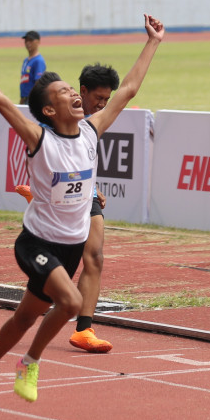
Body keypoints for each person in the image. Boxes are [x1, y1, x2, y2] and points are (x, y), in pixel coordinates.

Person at [0, 14, 165, 409]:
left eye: (73, 90)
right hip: (36, 243)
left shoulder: (91, 132)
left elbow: (129, 89)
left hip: (70, 246)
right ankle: (29, 363)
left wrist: (153, 41)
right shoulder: (38, 139)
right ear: (49, 111)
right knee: (70, 303)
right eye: (65, 93)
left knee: (23, 320)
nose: (76, 95)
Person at [69, 62, 122, 353]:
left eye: (107, 100)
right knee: (56, 273)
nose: (102, 104)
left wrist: (93, 186)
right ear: (83, 91)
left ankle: (84, 330)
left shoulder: (94, 123)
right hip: (58, 200)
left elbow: (129, 91)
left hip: (86, 196)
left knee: (95, 257)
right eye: (98, 98)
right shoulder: (60, 115)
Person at [19, 30, 46, 105]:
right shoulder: (26, 60)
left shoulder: (38, 61)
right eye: (26, 40)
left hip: (31, 100)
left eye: (31, 40)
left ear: (38, 42)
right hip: (24, 98)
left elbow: (38, 83)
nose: (28, 43)